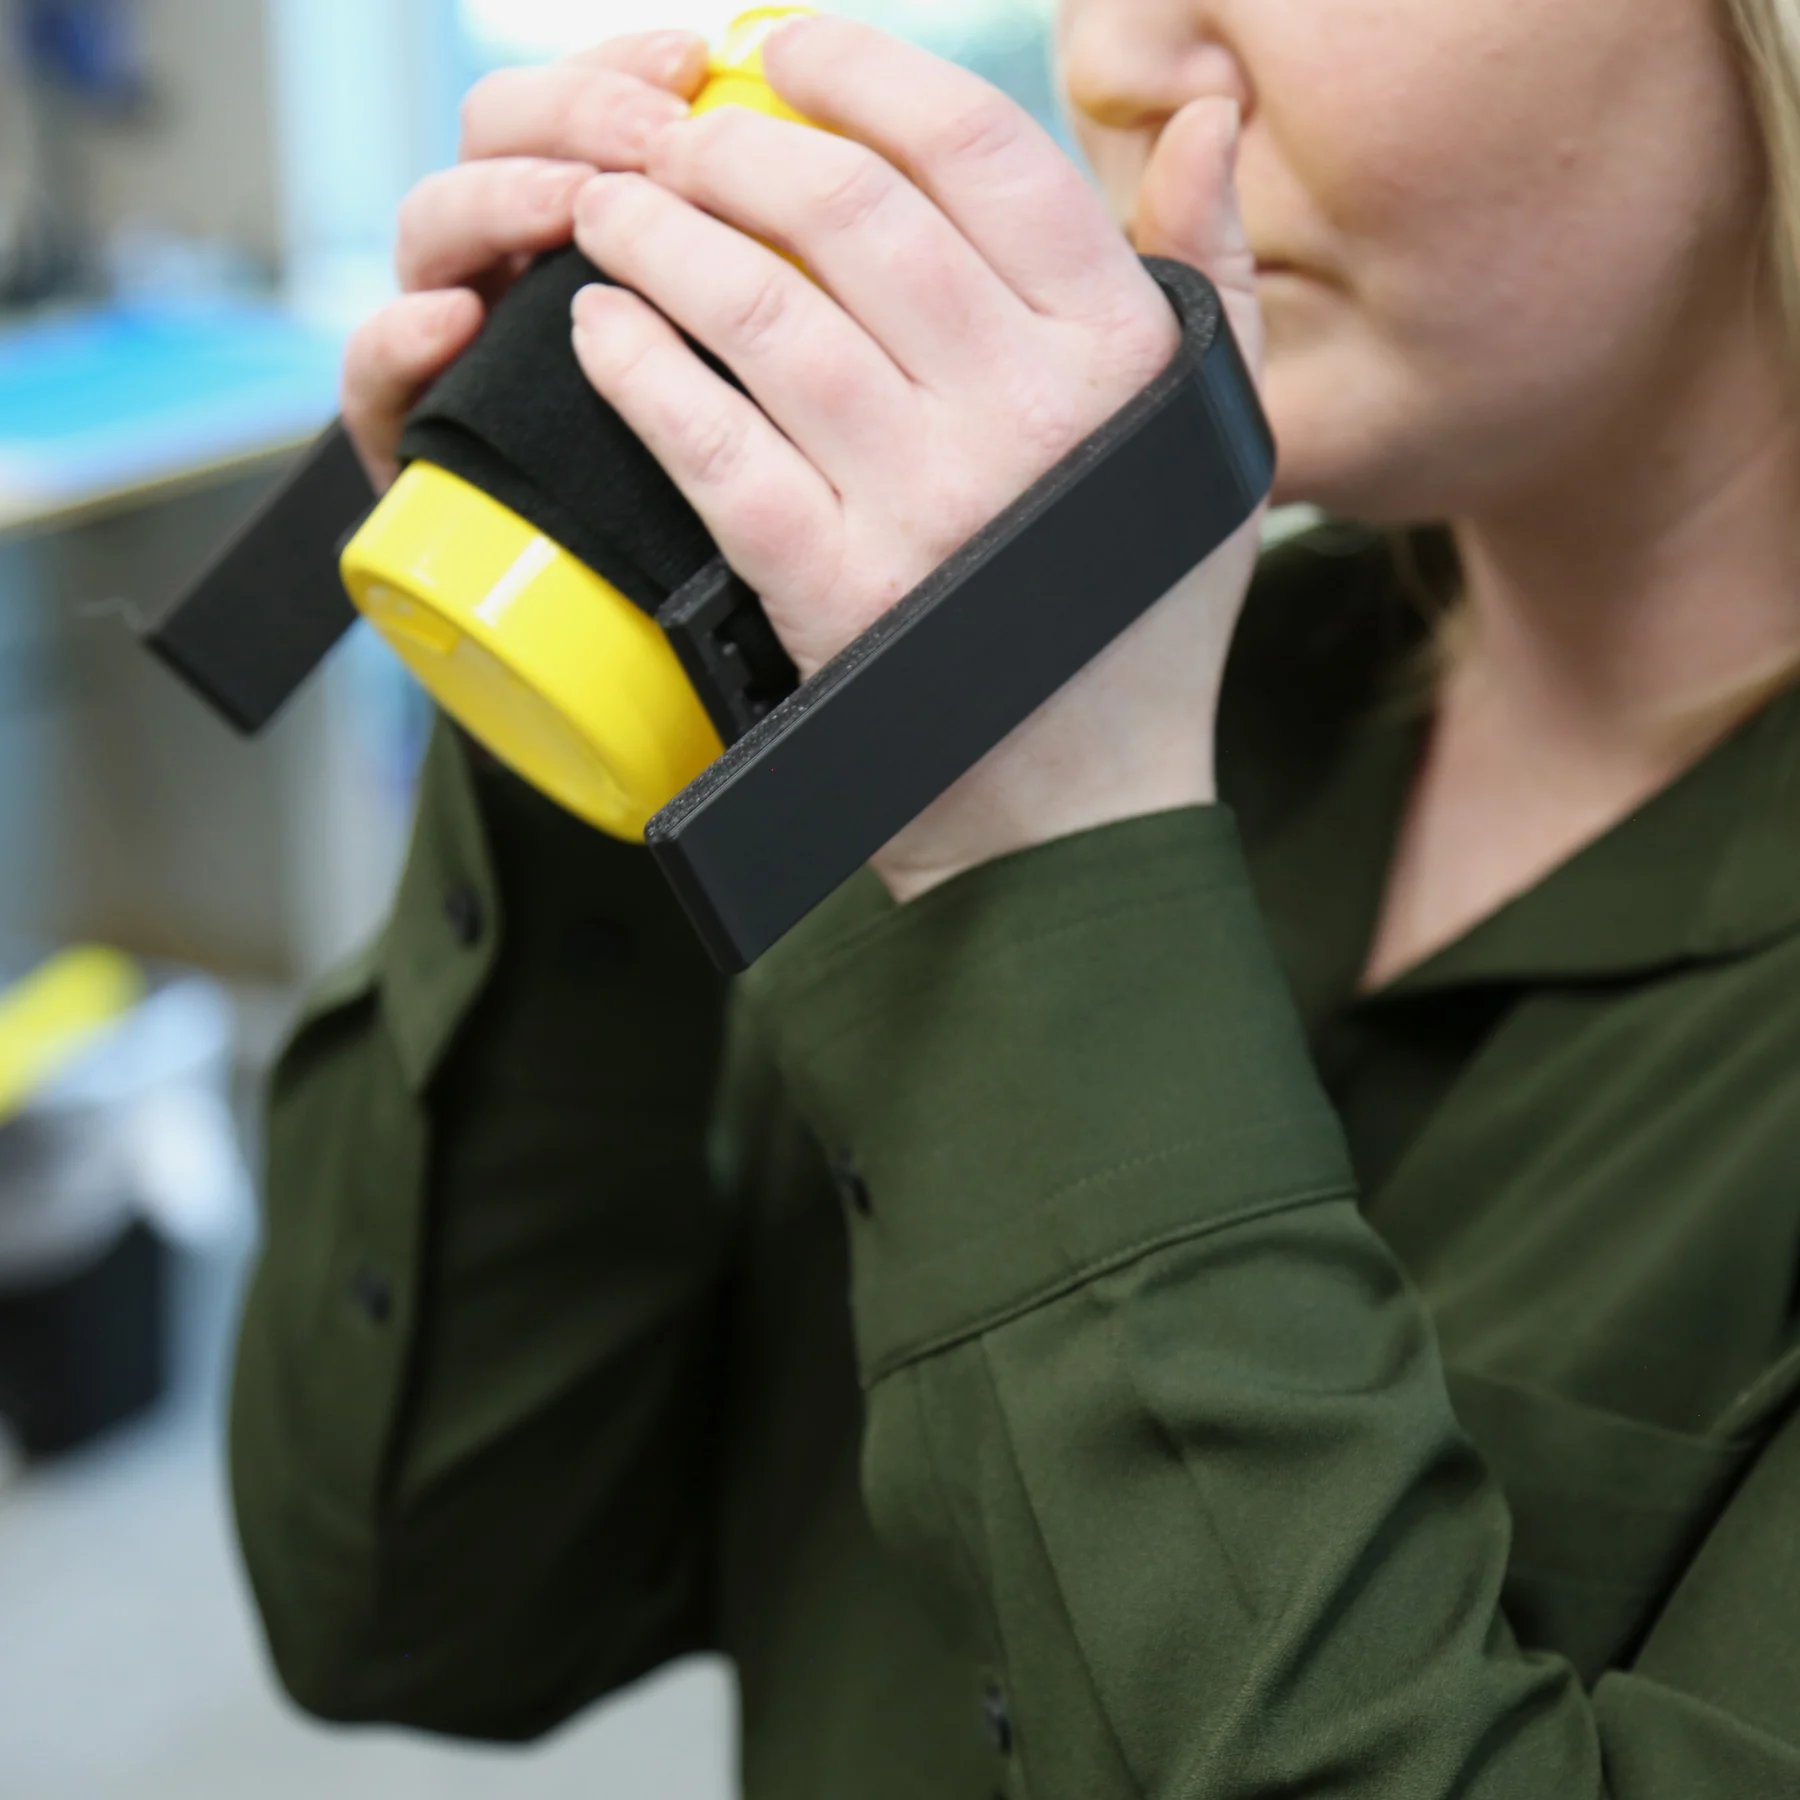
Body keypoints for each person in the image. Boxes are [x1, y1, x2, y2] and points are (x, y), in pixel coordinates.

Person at [232, 5, 1800, 1794]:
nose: (1117, 61)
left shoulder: (1040, 767)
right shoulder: (1075, 720)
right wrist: (597, 642)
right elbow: (423, 1608)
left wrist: (1056, 901)